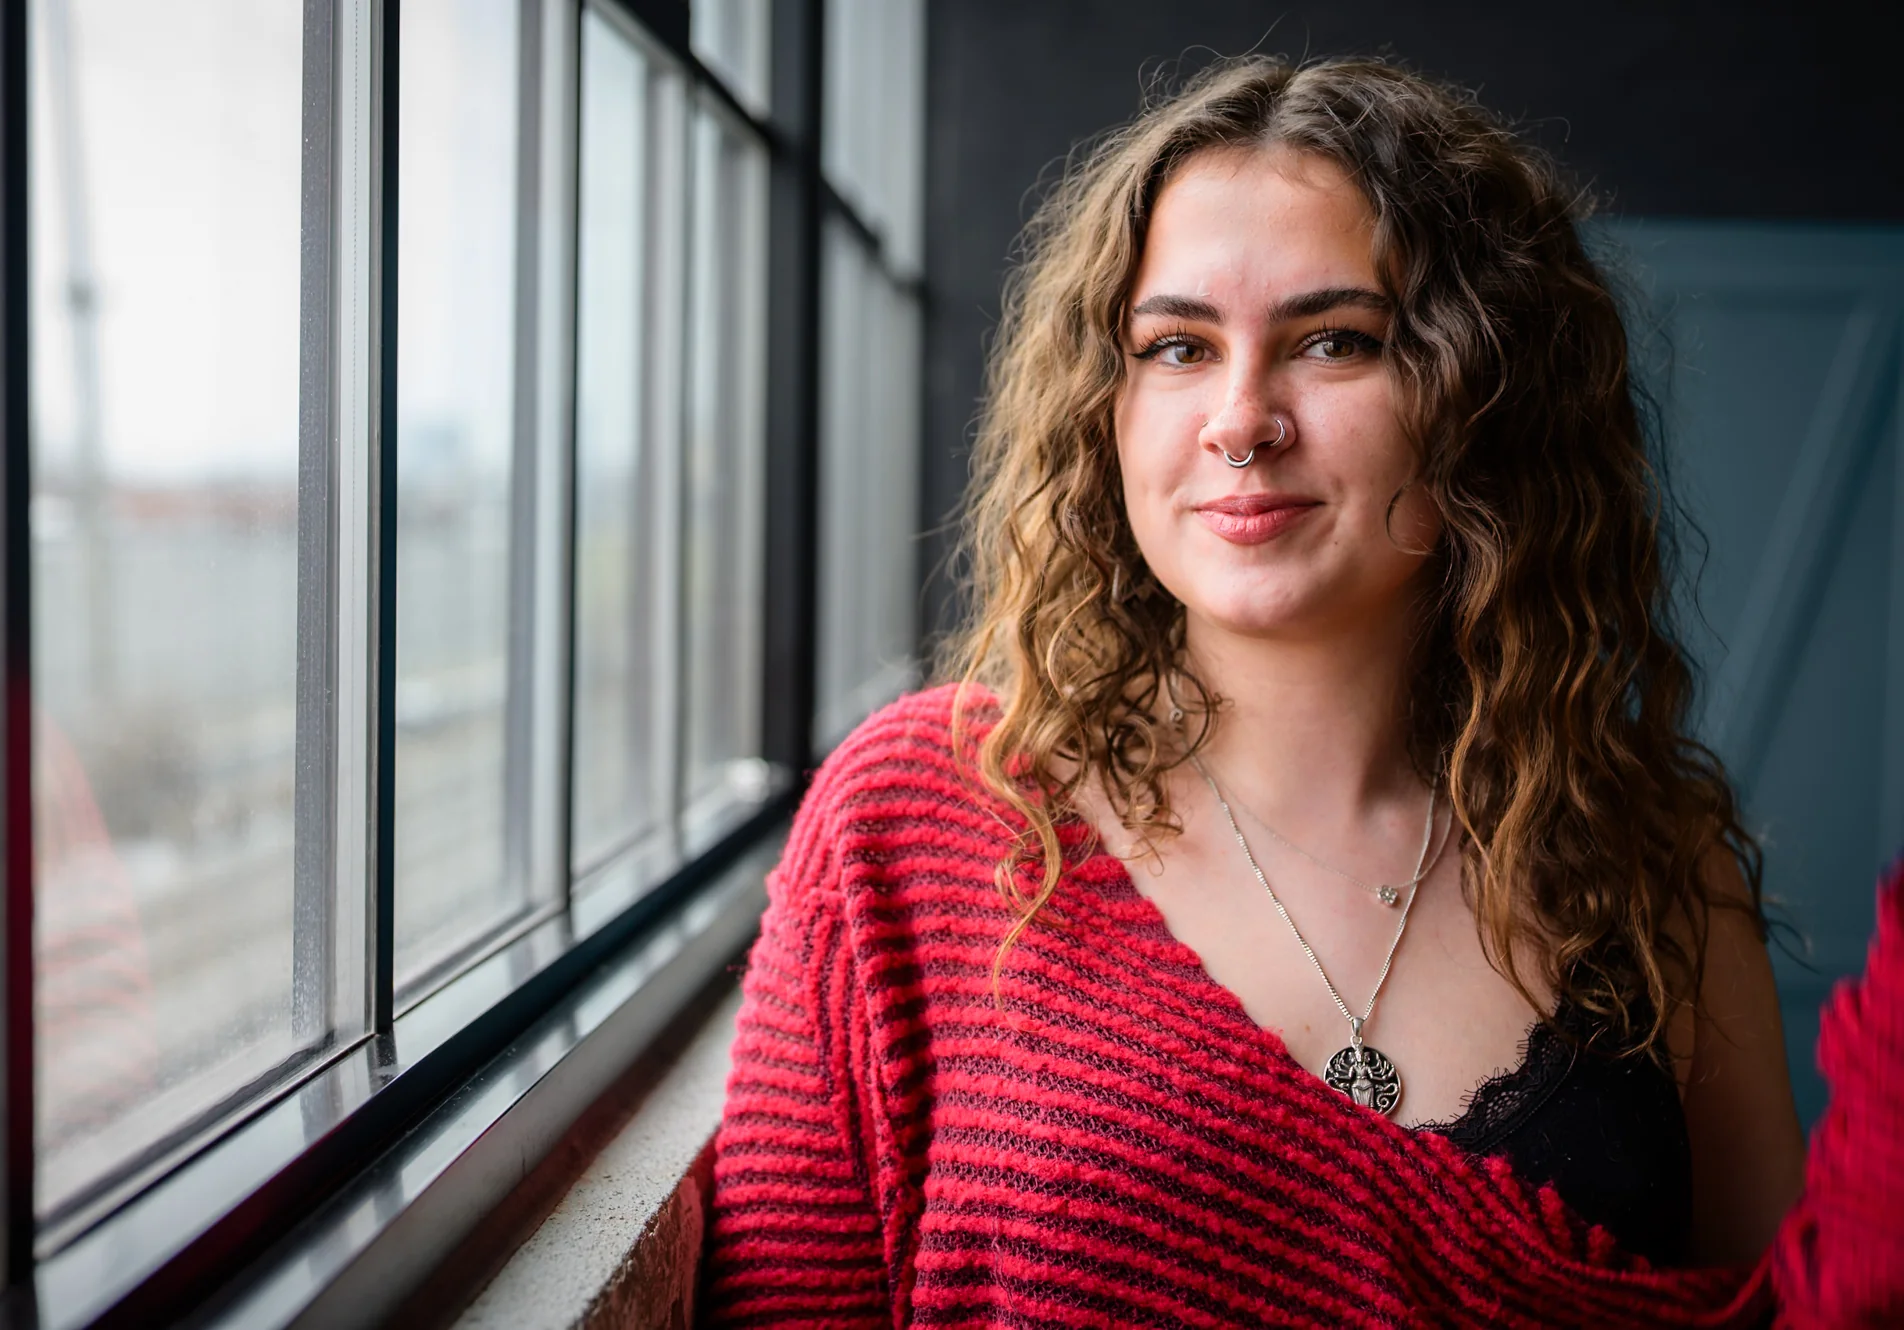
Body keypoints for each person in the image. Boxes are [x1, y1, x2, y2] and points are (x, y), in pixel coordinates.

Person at [702, 55, 1904, 1327]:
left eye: (1335, 342)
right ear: (1103, 413)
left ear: (1479, 394)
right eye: (1175, 347)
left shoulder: (1653, 861)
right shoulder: (921, 817)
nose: (1239, 419)